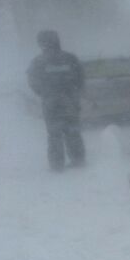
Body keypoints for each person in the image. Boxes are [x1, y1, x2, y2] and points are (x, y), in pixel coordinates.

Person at [27, 30, 86, 172]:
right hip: (70, 101)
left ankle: (57, 164)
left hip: (51, 103)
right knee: (73, 131)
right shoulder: (70, 58)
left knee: (54, 134)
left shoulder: (37, 62)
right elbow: (81, 78)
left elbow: (33, 82)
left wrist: (45, 93)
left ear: (41, 43)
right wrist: (74, 92)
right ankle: (78, 159)